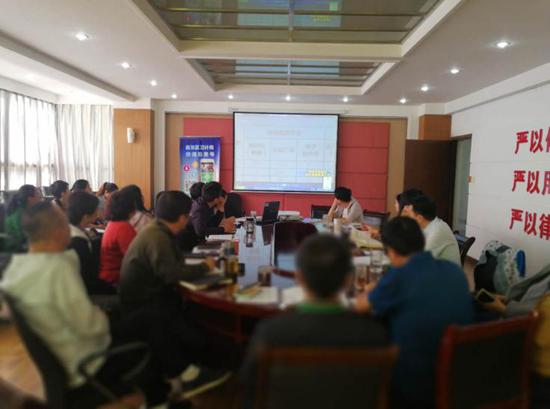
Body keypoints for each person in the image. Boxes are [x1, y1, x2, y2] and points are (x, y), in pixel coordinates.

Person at [0, 201, 211, 407]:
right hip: (90, 358)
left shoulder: (16, 270)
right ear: (57, 233)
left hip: (65, 355)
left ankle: (171, 387)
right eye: (66, 225)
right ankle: (180, 382)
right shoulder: (56, 269)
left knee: (148, 317)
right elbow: (90, 326)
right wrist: (99, 314)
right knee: (152, 326)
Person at [241, 235, 388, 404]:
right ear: (348, 280)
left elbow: (249, 386)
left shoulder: (270, 333)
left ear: (298, 278)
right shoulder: (375, 336)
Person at [120, 191, 235, 397]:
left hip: (152, 295)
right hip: (144, 305)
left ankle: (194, 366)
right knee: (196, 328)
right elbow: (172, 273)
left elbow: (174, 263)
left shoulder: (157, 230)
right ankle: (190, 375)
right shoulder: (157, 237)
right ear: (183, 217)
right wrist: (205, 268)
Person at [356, 217, 474, 409]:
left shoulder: (399, 277)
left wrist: (371, 288)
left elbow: (359, 307)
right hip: (460, 378)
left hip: (415, 387)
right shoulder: (454, 270)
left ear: (391, 251)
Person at [67, 191, 116, 296]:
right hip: (82, 293)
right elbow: (88, 279)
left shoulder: (76, 230)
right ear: (86, 217)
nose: (98, 212)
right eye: (96, 209)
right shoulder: (78, 242)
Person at [410, 195, 461, 266]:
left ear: (420, 218)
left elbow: (420, 261)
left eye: (410, 214)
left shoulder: (438, 231)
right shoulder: (428, 225)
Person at [99, 190, 137, 285]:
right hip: (116, 279)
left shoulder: (112, 224)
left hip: (108, 277)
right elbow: (135, 258)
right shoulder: (123, 228)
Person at [3, 185, 42, 252]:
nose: (40, 196)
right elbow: (22, 236)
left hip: (28, 242)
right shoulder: (19, 213)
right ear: (30, 198)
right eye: (37, 193)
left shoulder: (29, 209)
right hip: (16, 246)